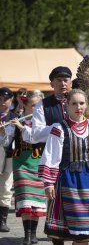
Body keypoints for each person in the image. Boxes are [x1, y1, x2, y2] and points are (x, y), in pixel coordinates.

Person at [38, 89, 89, 244]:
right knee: (71, 228)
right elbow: (52, 156)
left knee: (86, 233)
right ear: (67, 105)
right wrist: (49, 183)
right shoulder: (59, 128)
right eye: (74, 103)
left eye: (81, 103)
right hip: (69, 182)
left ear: (86, 105)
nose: (78, 107)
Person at [32, 66, 72, 245]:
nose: (63, 83)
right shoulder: (43, 104)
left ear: (70, 82)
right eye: (59, 80)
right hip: (55, 160)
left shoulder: (80, 100)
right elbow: (36, 133)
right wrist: (58, 129)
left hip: (76, 159)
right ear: (52, 83)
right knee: (56, 203)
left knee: (75, 201)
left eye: (66, 80)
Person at [0, 91, 46, 245]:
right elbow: (6, 142)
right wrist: (2, 131)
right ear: (24, 105)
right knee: (26, 197)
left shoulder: (43, 123)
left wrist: (22, 127)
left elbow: (36, 138)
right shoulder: (17, 120)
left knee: (36, 200)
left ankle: (33, 234)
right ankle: (27, 234)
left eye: (38, 105)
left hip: (38, 163)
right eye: (33, 105)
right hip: (20, 162)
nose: (36, 108)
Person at [0, 87, 16, 232]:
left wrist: (3, 132)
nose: (2, 102)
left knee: (5, 188)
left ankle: (2, 220)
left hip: (7, 156)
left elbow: (7, 141)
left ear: (11, 101)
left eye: (6, 100)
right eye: (0, 99)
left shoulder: (13, 118)